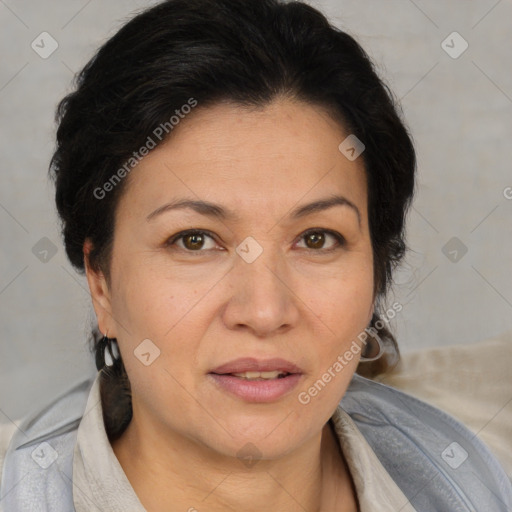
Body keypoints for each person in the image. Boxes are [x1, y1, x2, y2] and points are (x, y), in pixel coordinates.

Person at [1, 0, 511, 510]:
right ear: (101, 283)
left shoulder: (472, 482)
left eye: (316, 239)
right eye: (194, 240)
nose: (265, 312)